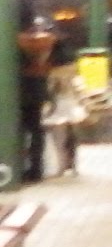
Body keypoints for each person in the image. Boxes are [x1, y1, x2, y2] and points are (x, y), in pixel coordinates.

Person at [16, 17, 56, 183]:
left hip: (18, 92)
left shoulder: (16, 43)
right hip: (36, 90)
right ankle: (36, 168)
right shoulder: (45, 42)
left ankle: (18, 166)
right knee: (36, 130)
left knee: (20, 130)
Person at [44, 27, 81, 177]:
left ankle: (61, 165)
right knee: (73, 136)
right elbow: (79, 85)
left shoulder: (53, 70)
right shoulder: (74, 67)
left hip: (59, 104)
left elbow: (51, 89)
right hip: (73, 103)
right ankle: (74, 165)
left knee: (59, 138)